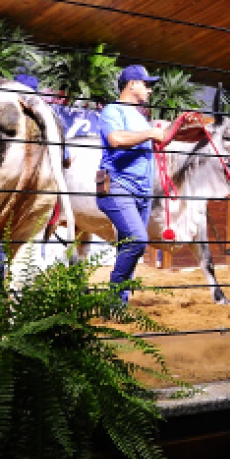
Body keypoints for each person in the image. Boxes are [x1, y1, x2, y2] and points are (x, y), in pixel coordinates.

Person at [97, 65, 163, 302]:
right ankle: (113, 301)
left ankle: (119, 305)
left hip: (142, 194)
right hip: (118, 186)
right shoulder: (113, 110)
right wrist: (150, 134)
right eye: (146, 84)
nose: (150, 90)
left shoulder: (140, 118)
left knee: (130, 247)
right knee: (137, 240)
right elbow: (115, 139)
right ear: (132, 84)